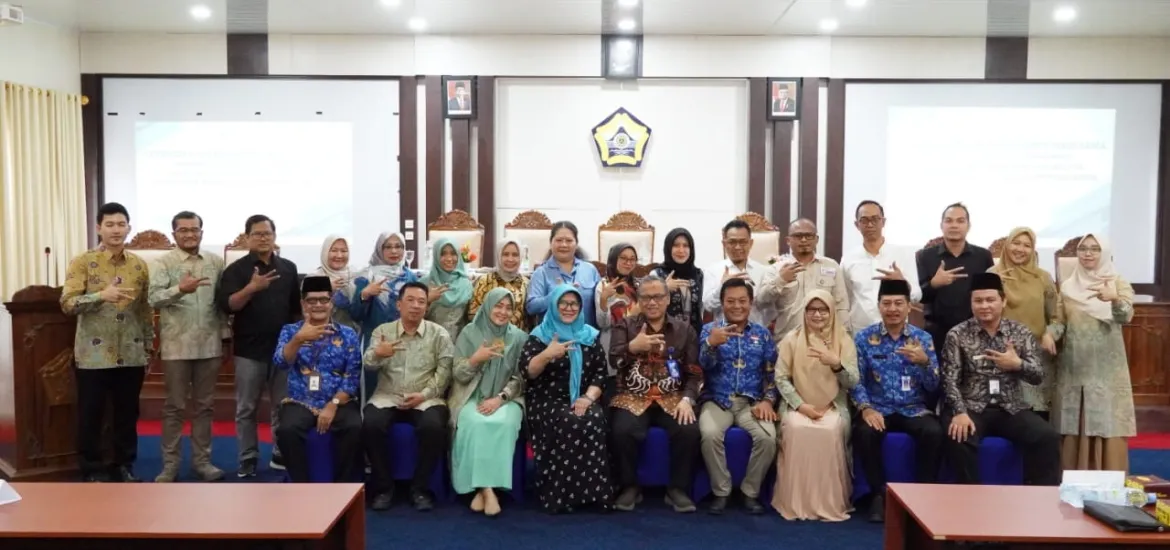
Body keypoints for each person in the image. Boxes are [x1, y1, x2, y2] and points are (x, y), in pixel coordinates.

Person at [941, 272, 1061, 486]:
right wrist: (959, 412)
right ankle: (971, 498)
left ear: (1003, 301)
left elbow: (1038, 376)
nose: (984, 306)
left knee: (1047, 436)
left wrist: (1017, 364)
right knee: (960, 437)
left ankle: (1041, 496)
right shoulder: (957, 334)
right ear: (971, 303)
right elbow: (949, 379)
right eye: (978, 301)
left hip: (1010, 407)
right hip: (971, 406)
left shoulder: (1019, 332)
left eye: (990, 300)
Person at [61, 202, 152, 482]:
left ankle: (124, 465)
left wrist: (148, 347)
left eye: (121, 224)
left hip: (131, 353)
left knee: (127, 414)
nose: (116, 230)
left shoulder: (138, 265)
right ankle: (91, 469)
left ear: (129, 228)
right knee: (91, 414)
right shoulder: (82, 261)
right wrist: (101, 296)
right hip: (94, 355)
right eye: (110, 224)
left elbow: (145, 310)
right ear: (98, 228)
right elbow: (67, 303)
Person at [848, 279, 942, 522]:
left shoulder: (923, 339)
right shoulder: (864, 338)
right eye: (887, 303)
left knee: (934, 432)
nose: (892, 309)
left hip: (914, 409)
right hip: (878, 408)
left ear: (909, 306)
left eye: (899, 303)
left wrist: (925, 363)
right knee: (864, 432)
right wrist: (866, 409)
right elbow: (856, 381)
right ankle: (878, 495)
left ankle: (924, 494)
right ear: (879, 306)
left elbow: (934, 385)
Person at [608, 275, 702, 513]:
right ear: (638, 300)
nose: (652, 302)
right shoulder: (626, 325)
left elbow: (694, 372)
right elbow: (613, 360)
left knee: (688, 429)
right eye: (646, 297)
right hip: (632, 395)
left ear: (668, 299)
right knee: (621, 430)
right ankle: (630, 486)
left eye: (658, 297)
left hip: (672, 397)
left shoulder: (684, 330)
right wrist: (632, 348)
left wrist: (687, 399)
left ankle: (677, 489)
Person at [217, 214, 301, 477]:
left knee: (283, 406)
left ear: (274, 237)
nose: (263, 238)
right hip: (249, 350)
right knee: (246, 408)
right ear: (247, 238)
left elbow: (295, 310)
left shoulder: (288, 268)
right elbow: (229, 305)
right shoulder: (236, 270)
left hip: (283, 350)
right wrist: (251, 288)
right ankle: (248, 456)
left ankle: (280, 451)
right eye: (257, 234)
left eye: (267, 233)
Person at [147, 210, 227, 482]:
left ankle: (202, 462)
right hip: (176, 346)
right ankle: (170, 465)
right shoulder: (163, 263)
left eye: (195, 229)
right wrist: (179, 290)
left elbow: (221, 304)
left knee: (205, 407)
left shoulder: (215, 262)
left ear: (202, 232)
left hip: (209, 344)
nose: (190, 234)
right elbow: (153, 299)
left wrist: (225, 336)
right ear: (174, 234)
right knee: (175, 407)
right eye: (184, 230)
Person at [519, 284, 612, 514]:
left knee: (593, 418)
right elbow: (528, 372)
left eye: (574, 304)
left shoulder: (589, 335)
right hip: (546, 400)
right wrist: (546, 355)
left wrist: (587, 398)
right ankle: (559, 495)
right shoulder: (540, 335)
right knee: (568, 421)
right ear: (554, 305)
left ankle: (592, 494)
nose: (569, 308)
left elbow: (600, 374)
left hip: (583, 397)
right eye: (563, 303)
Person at [361, 281, 453, 511]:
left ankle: (419, 488)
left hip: (426, 397)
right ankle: (384, 488)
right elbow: (368, 365)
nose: (416, 306)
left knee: (433, 427)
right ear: (398, 304)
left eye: (421, 301)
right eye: (410, 300)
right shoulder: (383, 331)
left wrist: (423, 395)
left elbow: (444, 373)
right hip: (387, 395)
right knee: (371, 424)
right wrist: (378, 354)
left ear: (427, 306)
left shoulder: (439, 334)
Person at [774, 290, 859, 521]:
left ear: (832, 312)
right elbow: (781, 378)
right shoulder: (792, 339)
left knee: (830, 430)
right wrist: (801, 406)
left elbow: (852, 381)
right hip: (798, 405)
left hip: (833, 405)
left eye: (823, 310)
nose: (817, 315)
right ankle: (795, 501)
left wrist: (836, 364)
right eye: (812, 309)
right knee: (796, 428)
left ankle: (830, 502)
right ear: (804, 312)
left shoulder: (844, 340)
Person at [698, 278, 779, 515]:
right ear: (722, 303)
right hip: (717, 400)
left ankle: (750, 492)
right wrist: (711, 345)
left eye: (742, 301)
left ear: (751, 303)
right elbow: (702, 366)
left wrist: (768, 400)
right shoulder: (709, 330)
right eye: (730, 301)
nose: (737, 306)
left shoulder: (762, 335)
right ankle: (721, 491)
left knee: (768, 438)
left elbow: (773, 374)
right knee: (709, 434)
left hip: (751, 403)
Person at [1056, 234, 1136, 471]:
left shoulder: (1117, 282)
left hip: (1106, 370)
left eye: (1094, 249)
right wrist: (1050, 334)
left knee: (1107, 422)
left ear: (1105, 253)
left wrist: (1114, 299)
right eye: (1083, 249)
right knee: (1074, 422)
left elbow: (1126, 316)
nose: (1088, 253)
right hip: (1075, 366)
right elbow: (1059, 321)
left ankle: (1108, 480)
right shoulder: (1068, 286)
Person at [272, 276, 363, 483]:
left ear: (332, 302)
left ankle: (342, 488)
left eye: (324, 300)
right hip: (301, 400)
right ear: (303, 304)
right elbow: (280, 362)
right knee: (286, 431)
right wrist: (298, 339)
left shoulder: (347, 334)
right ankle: (303, 487)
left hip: (339, 400)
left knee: (354, 428)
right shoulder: (290, 331)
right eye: (312, 300)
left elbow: (352, 376)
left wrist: (333, 404)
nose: (318, 305)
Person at [449, 288, 527, 517]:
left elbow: (521, 378)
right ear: (487, 306)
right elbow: (458, 374)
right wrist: (475, 359)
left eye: (508, 308)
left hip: (506, 398)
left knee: (503, 423)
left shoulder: (519, 337)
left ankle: (482, 490)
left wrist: (500, 398)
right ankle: (488, 491)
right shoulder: (469, 333)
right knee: (475, 423)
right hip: (471, 394)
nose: (503, 312)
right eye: (498, 306)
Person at [989, 227, 1062, 418]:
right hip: (1000, 354)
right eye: (1016, 243)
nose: (1020, 249)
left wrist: (1050, 333)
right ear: (1007, 245)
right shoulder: (992, 274)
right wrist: (994, 284)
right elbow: (980, 313)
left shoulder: (1043, 277)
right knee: (1002, 416)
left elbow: (1057, 316)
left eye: (1027, 245)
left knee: (1036, 418)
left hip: (1035, 355)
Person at [351, 232, 419, 401]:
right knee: (373, 391)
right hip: (374, 342)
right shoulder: (367, 276)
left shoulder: (410, 277)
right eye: (388, 247)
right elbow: (355, 314)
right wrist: (364, 295)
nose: (394, 251)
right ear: (379, 250)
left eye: (398, 246)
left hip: (405, 342)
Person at [917, 203, 994, 349]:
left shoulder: (983, 256)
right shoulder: (925, 256)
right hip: (936, 333)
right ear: (941, 225)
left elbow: (991, 294)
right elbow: (918, 297)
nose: (954, 225)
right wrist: (934, 284)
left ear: (968, 226)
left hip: (975, 331)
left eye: (960, 221)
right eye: (949, 220)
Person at [759, 218, 850, 340]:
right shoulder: (776, 269)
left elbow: (841, 306)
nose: (803, 240)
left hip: (824, 340)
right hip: (787, 340)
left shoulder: (831, 266)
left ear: (816, 239)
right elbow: (762, 301)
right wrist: (781, 280)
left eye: (808, 236)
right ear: (788, 240)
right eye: (798, 236)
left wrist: (844, 337)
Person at [842, 200, 921, 330]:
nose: (870, 224)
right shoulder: (848, 258)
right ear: (857, 225)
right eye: (864, 220)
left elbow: (916, 295)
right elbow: (845, 298)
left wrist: (902, 282)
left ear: (883, 222)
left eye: (875, 219)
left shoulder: (902, 254)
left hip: (896, 331)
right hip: (860, 331)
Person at [526, 221, 601, 328]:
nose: (564, 245)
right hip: (553, 336)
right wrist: (556, 294)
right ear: (551, 243)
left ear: (576, 244)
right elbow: (531, 307)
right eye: (559, 240)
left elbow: (600, 305)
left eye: (569, 240)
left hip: (586, 335)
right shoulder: (541, 272)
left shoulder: (590, 270)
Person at [702, 219, 775, 326]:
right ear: (724, 243)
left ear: (751, 243)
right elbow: (708, 306)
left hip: (755, 332)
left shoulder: (763, 271)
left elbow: (771, 309)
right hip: (723, 332)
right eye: (732, 242)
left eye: (742, 242)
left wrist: (759, 325)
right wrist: (721, 286)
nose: (737, 247)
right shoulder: (712, 270)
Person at [596, 243, 639, 389]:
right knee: (612, 389)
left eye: (632, 259)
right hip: (612, 343)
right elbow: (602, 323)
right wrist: (603, 299)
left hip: (636, 343)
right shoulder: (603, 285)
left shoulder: (637, 286)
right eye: (623, 258)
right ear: (614, 259)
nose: (628, 263)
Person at [651, 228, 704, 336]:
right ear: (668, 248)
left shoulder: (698, 275)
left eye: (685, 245)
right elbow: (647, 304)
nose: (681, 250)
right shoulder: (657, 274)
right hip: (665, 335)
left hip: (694, 336)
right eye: (676, 245)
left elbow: (704, 307)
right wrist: (664, 288)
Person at [468, 239, 529, 329]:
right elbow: (472, 313)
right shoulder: (485, 281)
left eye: (515, 255)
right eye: (505, 254)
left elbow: (529, 318)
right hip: (486, 334)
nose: (510, 259)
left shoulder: (526, 283)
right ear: (498, 255)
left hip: (517, 336)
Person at [421, 238, 472, 342]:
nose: (449, 259)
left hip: (458, 342)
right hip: (429, 342)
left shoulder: (466, 284)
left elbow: (470, 319)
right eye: (443, 254)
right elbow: (410, 318)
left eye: (453, 254)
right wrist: (427, 300)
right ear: (436, 256)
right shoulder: (424, 284)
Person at [316, 234, 359, 333]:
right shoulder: (313, 278)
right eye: (334, 250)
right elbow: (307, 310)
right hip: (321, 333)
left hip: (352, 334)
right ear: (325, 252)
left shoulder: (356, 275)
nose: (339, 255)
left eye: (344, 251)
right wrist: (326, 289)